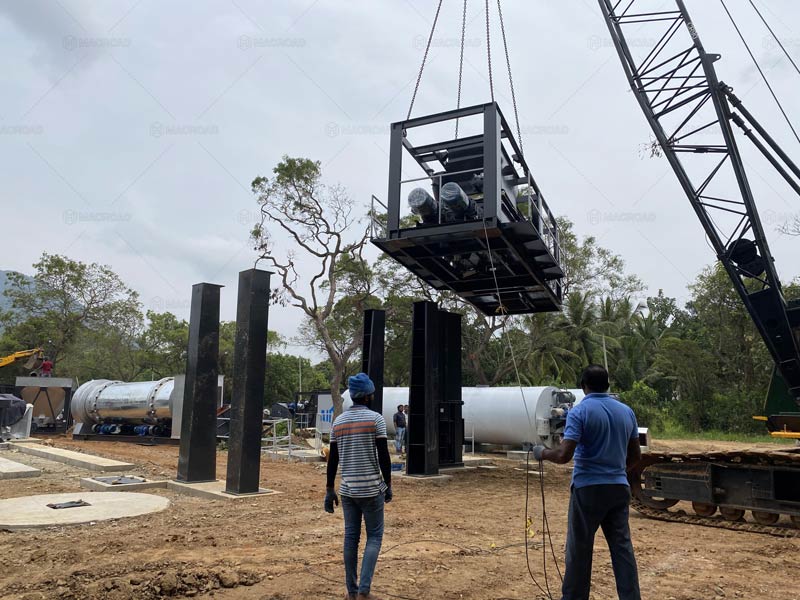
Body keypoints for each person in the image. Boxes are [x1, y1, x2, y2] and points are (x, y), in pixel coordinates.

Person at [532, 365, 641, 600]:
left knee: (579, 550)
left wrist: (542, 452)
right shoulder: (627, 412)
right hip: (619, 488)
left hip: (588, 489)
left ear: (583, 386)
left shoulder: (579, 412)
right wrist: (616, 471)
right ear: (608, 385)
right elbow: (636, 456)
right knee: (622, 550)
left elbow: (563, 455)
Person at [325, 373, 393, 600]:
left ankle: (351, 593)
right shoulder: (376, 419)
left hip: (347, 491)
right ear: (368, 396)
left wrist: (329, 489)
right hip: (372, 490)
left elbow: (332, 459)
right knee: (374, 537)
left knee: (350, 538)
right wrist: (388, 485)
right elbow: (384, 457)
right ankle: (364, 591)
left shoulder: (339, 422)